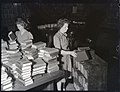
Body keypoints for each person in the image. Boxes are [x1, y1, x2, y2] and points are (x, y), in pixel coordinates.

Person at [53, 18, 77, 91]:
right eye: (65, 27)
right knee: (60, 76)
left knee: (66, 74)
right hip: (61, 59)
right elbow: (59, 51)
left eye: (67, 27)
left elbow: (67, 47)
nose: (67, 28)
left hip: (67, 57)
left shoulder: (65, 35)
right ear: (60, 26)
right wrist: (71, 52)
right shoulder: (56, 36)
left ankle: (63, 88)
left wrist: (72, 51)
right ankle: (60, 89)